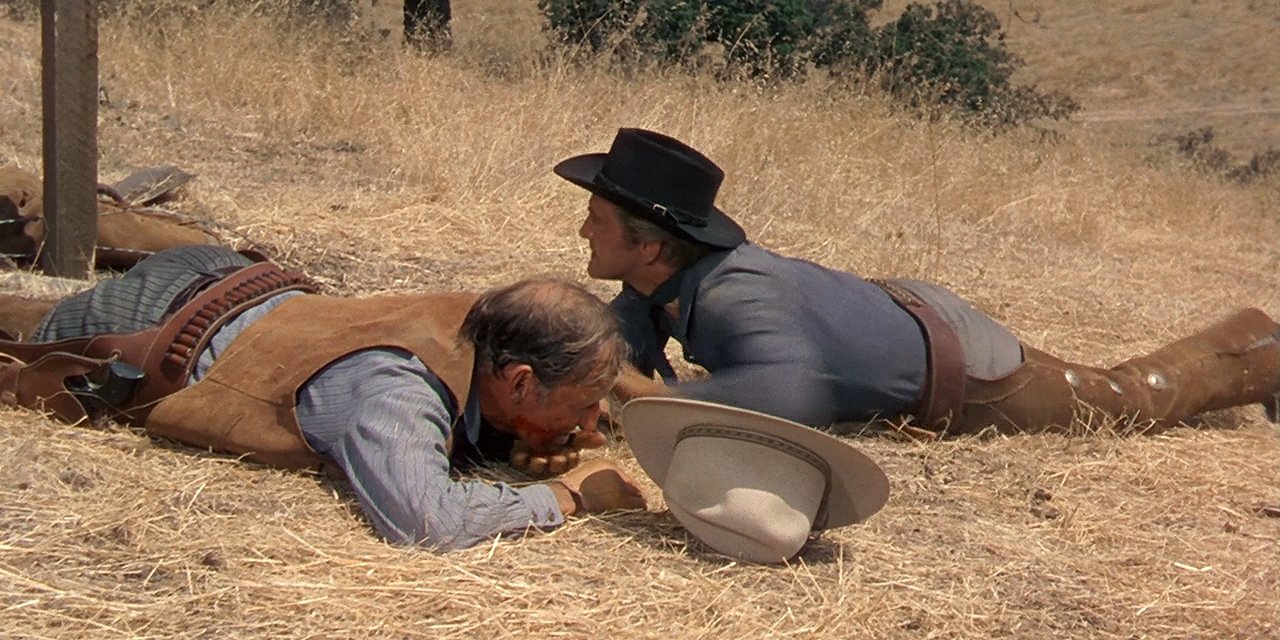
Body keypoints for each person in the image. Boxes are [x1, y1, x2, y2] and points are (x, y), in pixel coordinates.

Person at [554, 127, 1280, 436]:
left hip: (962, 367)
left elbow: (788, 398)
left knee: (1123, 400)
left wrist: (640, 393)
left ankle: (1262, 346)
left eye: (597, 219)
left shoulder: (737, 296)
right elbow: (619, 345)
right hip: (900, 314)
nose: (584, 231)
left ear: (651, 247)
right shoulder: (656, 286)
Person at [0, 245, 646, 551]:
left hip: (228, 281)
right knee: (25, 329)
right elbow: (426, 522)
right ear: (521, 381)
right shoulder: (396, 386)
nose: (591, 421)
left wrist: (520, 437)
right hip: (143, 319)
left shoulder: (488, 327)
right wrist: (566, 495)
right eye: (583, 404)